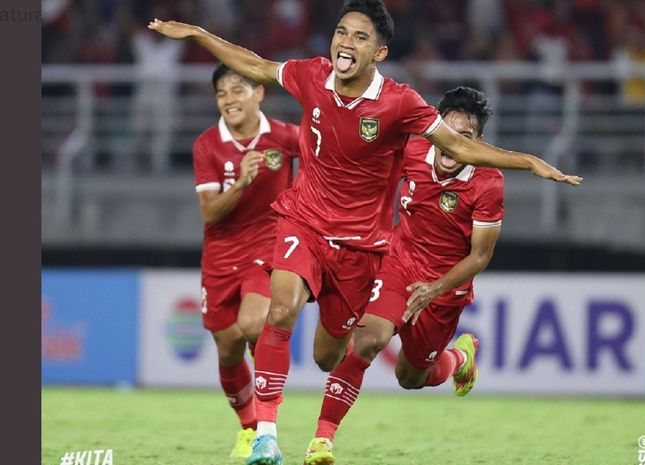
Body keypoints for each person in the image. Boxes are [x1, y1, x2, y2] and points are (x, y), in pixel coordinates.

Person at [149, 2, 582, 464]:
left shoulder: (401, 104)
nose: (345, 43)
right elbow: (253, 63)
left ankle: (456, 358)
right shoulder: (311, 75)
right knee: (280, 311)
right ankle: (266, 436)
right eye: (341, 32)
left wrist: (529, 162)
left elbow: (457, 147)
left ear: (379, 52)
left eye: (359, 37)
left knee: (332, 358)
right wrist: (197, 33)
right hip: (303, 221)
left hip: (361, 247)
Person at [305, 86, 500, 464]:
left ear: (479, 141)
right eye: (448, 131)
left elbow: (480, 256)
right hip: (398, 263)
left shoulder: (488, 182)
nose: (453, 144)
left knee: (411, 377)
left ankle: (460, 359)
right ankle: (322, 441)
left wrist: (435, 288)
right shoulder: (412, 151)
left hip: (445, 290)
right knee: (367, 340)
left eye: (466, 137)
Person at [192, 63, 299, 460]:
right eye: (222, 94)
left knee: (255, 324)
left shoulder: (286, 136)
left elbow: (327, 159)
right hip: (220, 257)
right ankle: (249, 429)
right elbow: (209, 213)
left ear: (259, 94)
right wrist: (240, 183)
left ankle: (267, 421)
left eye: (238, 90)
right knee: (228, 350)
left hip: (267, 248)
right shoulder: (207, 145)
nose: (229, 99)